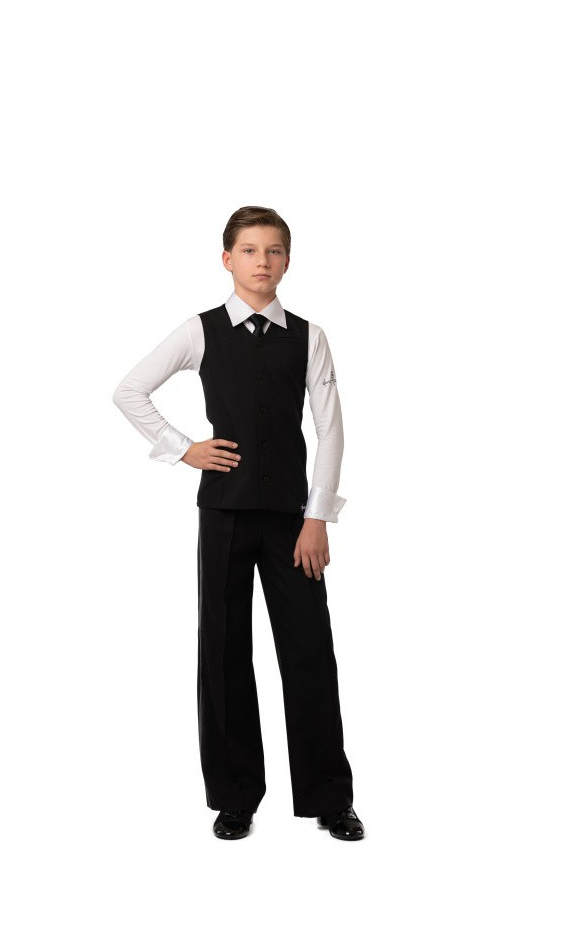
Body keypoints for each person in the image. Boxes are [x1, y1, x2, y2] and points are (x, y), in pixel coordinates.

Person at [112, 206, 364, 842]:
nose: (262, 261)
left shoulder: (308, 336)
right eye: (249, 250)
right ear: (228, 259)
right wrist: (183, 449)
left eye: (274, 250)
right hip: (223, 514)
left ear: (287, 260)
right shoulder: (199, 331)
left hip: (293, 522)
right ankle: (234, 797)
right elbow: (130, 391)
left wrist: (318, 517)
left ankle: (329, 797)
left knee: (309, 651)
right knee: (223, 652)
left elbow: (330, 429)